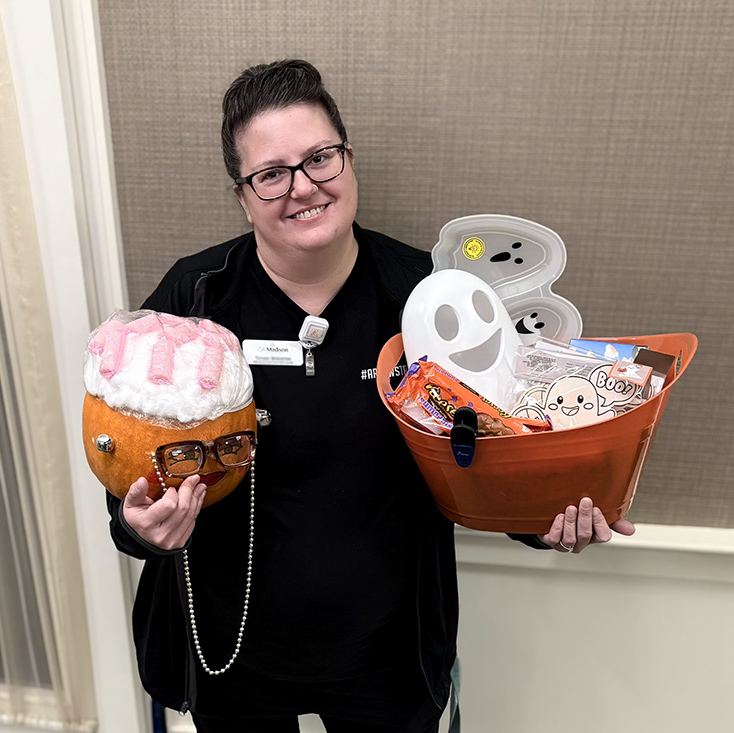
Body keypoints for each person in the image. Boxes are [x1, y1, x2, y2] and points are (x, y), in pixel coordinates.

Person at [106, 59, 635, 733]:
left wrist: (549, 518)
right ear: (242, 195)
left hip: (388, 656)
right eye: (271, 174)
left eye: (319, 157)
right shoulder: (196, 299)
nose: (303, 187)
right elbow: (130, 474)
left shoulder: (431, 296)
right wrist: (139, 526)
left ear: (349, 160)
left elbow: (494, 449)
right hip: (234, 651)